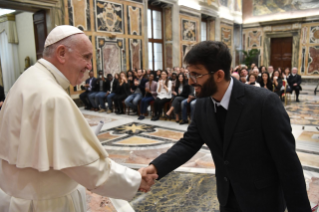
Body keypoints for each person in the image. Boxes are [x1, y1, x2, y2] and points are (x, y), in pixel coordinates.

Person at [139, 41, 311, 212]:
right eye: (189, 74)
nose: (191, 81)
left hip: (262, 202)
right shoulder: (202, 105)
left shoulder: (263, 103)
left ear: (219, 75)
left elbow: (288, 164)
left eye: (196, 75)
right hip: (227, 198)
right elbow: (189, 143)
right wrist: (154, 168)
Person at [0, 25, 157, 212]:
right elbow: (88, 167)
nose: (90, 66)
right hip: (47, 204)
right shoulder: (52, 96)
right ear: (62, 53)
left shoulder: (27, 79)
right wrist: (136, 180)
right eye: (86, 57)